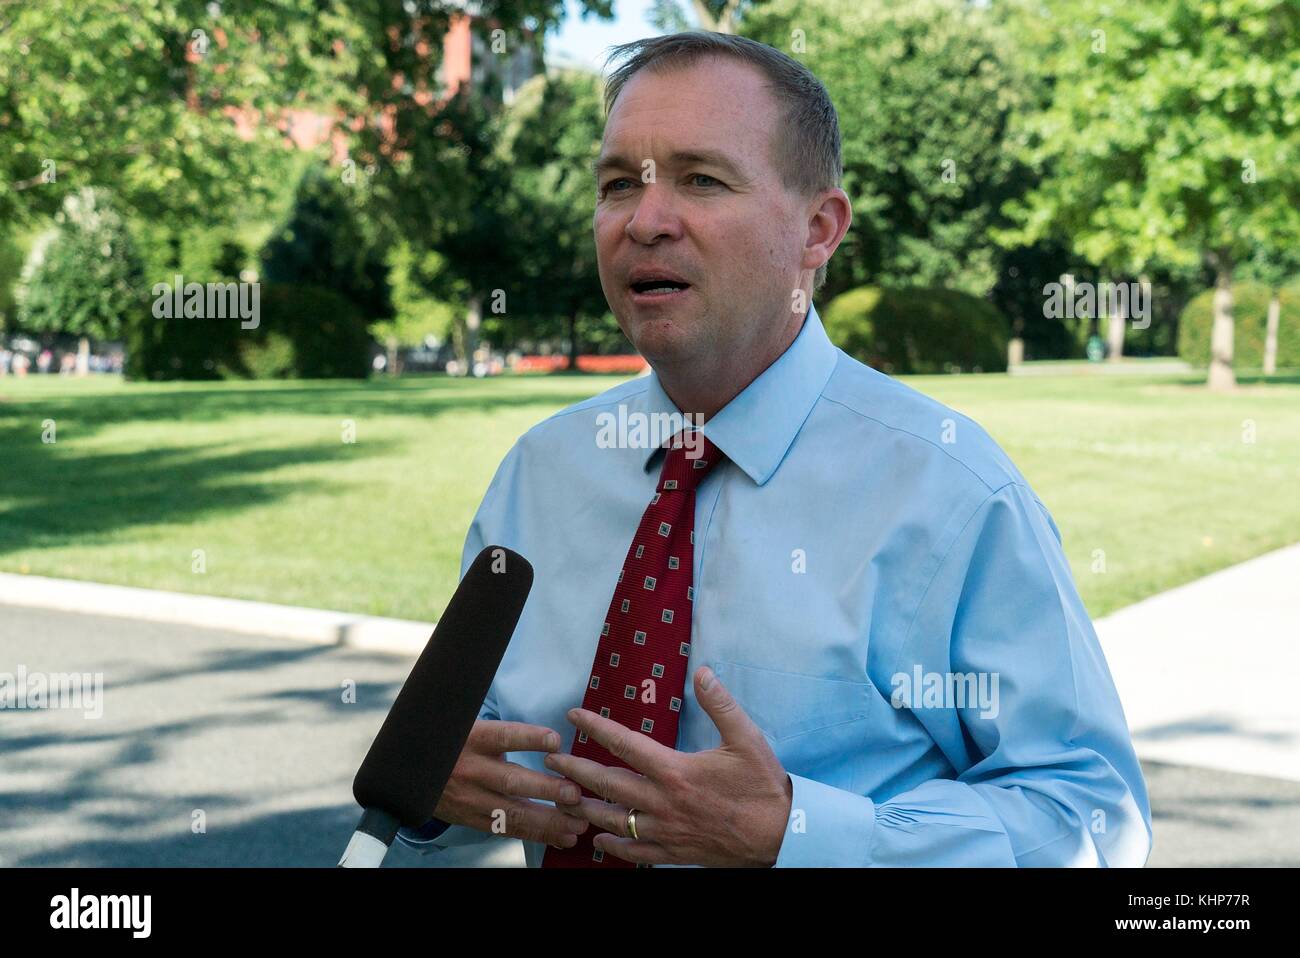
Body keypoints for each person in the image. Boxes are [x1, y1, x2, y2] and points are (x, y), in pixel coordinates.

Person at [398, 31, 1151, 868]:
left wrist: (792, 834)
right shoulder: (539, 476)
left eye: (702, 179)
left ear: (817, 229)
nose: (645, 221)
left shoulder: (950, 492)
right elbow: (486, 753)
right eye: (618, 185)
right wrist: (431, 783)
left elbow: (1089, 815)